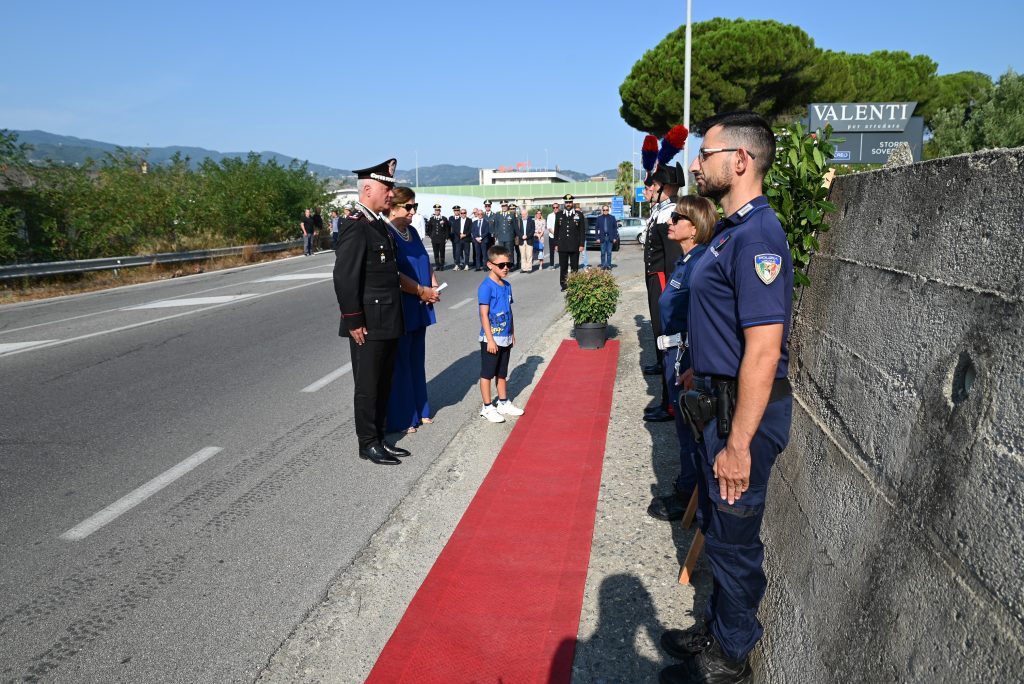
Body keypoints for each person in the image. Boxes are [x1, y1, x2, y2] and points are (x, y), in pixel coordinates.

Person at [658, 111, 793, 684]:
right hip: (715, 400)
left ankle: (732, 655)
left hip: (741, 415)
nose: (695, 164)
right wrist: (697, 374)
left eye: (705, 154)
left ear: (739, 161)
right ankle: (715, 626)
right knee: (718, 521)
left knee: (735, 539)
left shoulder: (760, 236)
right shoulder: (733, 232)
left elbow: (763, 349)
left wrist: (737, 442)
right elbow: (723, 325)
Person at [333, 158, 437, 466]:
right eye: (385, 188)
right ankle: (368, 443)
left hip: (389, 319)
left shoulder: (378, 225)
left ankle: (380, 438)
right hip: (368, 322)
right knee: (368, 385)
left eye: (391, 189)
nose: (390, 195)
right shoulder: (356, 226)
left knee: (383, 382)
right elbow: (345, 277)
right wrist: (353, 320)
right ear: (367, 189)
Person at [645, 195, 717, 522]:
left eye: (677, 218)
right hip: (674, 352)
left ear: (695, 227)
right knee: (682, 429)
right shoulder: (686, 262)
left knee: (689, 432)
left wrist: (690, 364)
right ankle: (687, 487)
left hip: (684, 356)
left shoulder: (700, 264)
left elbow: (699, 319)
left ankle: (687, 493)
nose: (670, 223)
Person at [385, 188, 439, 434]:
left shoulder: (413, 232)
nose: (412, 211)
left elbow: (424, 262)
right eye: (408, 207)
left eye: (414, 206)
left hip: (421, 303)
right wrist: (421, 291)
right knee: (401, 362)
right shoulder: (387, 233)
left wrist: (433, 283)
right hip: (403, 304)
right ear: (393, 206)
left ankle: (421, 408)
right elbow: (393, 275)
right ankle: (405, 416)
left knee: (417, 359)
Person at [642, 163, 684, 423]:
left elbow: (671, 260)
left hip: (662, 279)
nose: (651, 189)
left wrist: (669, 291)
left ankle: (669, 404)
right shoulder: (660, 211)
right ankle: (667, 399)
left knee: (666, 336)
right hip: (655, 278)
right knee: (659, 333)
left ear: (666, 189)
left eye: (655, 185)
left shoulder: (669, 213)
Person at [477, 245, 525, 423]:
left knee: (502, 372)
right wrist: (489, 339)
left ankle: (503, 402)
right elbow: (483, 314)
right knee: (487, 373)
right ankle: (487, 407)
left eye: (509, 264)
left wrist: (512, 332)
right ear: (490, 265)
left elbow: (509, 310)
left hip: (504, 336)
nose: (506, 268)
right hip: (491, 338)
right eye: (501, 264)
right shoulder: (486, 287)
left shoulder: (507, 286)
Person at [554, 194, 585, 291]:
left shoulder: (579, 215)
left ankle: (574, 284)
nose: (568, 204)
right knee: (563, 267)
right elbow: (556, 231)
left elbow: (582, 231)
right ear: (564, 203)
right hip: (562, 246)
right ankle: (564, 285)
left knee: (574, 267)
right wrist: (556, 244)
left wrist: (581, 244)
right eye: (566, 202)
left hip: (574, 245)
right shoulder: (559, 215)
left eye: (570, 202)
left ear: (572, 203)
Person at [594, 204, 619, 270]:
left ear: (608, 210)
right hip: (602, 237)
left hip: (610, 237)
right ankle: (603, 265)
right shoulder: (599, 218)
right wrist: (597, 238)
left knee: (609, 252)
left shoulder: (612, 218)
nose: (605, 211)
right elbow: (596, 228)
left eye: (607, 210)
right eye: (604, 210)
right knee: (602, 252)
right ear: (602, 210)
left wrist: (615, 238)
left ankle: (608, 265)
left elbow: (615, 228)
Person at [426, 204, 450, 271]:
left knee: (442, 252)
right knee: (435, 252)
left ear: (440, 211)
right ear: (434, 211)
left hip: (442, 239)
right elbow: (428, 229)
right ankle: (437, 265)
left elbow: (447, 229)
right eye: (436, 210)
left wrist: (446, 237)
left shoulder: (444, 219)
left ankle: (442, 265)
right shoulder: (432, 219)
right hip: (434, 239)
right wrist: (431, 236)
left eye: (438, 210)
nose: (437, 211)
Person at [492, 201, 515, 269]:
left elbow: (514, 226)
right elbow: (496, 225)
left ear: (507, 206)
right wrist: (496, 235)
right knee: (501, 252)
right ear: (501, 206)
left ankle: (510, 265)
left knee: (509, 252)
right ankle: (502, 265)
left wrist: (513, 235)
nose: (504, 207)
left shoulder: (511, 214)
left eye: (505, 206)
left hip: (509, 236)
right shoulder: (497, 214)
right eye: (502, 206)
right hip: (501, 237)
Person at [517, 208, 536, 273]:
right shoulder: (519, 221)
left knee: (529, 255)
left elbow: (532, 231)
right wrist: (521, 236)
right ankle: (524, 268)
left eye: (524, 214)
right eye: (522, 214)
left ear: (527, 214)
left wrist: (527, 236)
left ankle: (529, 268)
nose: (523, 215)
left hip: (529, 240)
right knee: (522, 255)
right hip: (521, 240)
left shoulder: (531, 221)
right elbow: (517, 231)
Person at [546, 202, 560, 269]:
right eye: (554, 207)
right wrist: (555, 233)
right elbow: (549, 227)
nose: (555, 209)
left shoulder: (561, 215)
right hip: (552, 236)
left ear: (558, 207)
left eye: (556, 207)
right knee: (552, 251)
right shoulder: (550, 215)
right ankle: (552, 265)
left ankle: (562, 264)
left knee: (561, 251)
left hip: (560, 237)